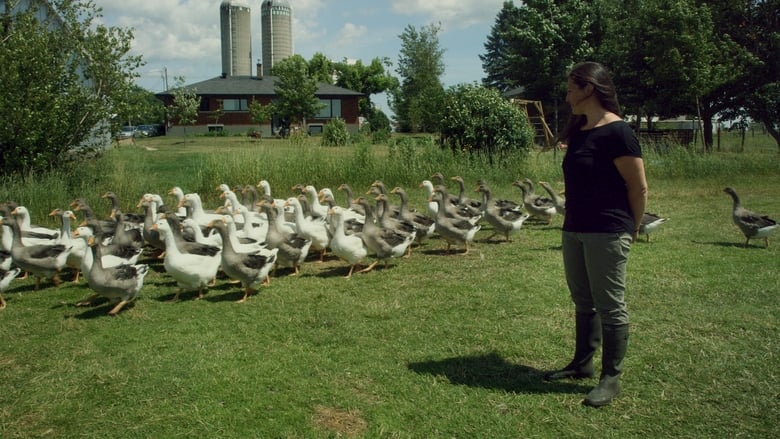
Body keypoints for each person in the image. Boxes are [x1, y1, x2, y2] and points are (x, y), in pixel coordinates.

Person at [544, 62, 647, 407]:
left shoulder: (619, 133)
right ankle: (582, 364)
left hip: (608, 230)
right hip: (574, 228)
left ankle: (611, 379)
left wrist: (632, 227)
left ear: (589, 88)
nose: (567, 94)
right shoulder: (580, 129)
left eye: (571, 87)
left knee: (610, 305)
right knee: (583, 300)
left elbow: (638, 186)